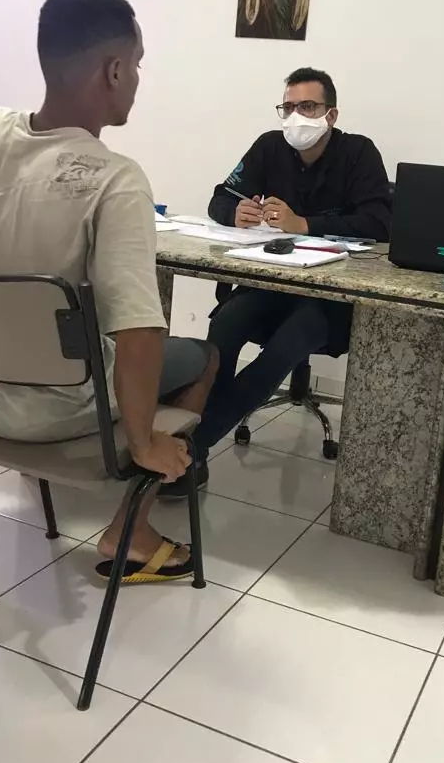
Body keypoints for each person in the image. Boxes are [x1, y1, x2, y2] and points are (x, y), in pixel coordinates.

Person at [0, 0, 218, 584]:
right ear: (114, 71)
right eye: (136, 66)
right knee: (202, 357)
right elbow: (137, 331)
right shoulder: (116, 180)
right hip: (53, 413)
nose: (137, 79)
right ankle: (131, 531)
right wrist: (144, 441)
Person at [159, 67, 391, 499]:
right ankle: (191, 445)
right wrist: (234, 213)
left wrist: (305, 224)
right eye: (288, 107)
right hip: (271, 286)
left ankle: (191, 447)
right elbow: (220, 197)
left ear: (331, 114)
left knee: (285, 345)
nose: (296, 116)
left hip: (329, 299)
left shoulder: (359, 153)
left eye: (309, 107)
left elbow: (379, 222)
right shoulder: (270, 146)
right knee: (225, 326)